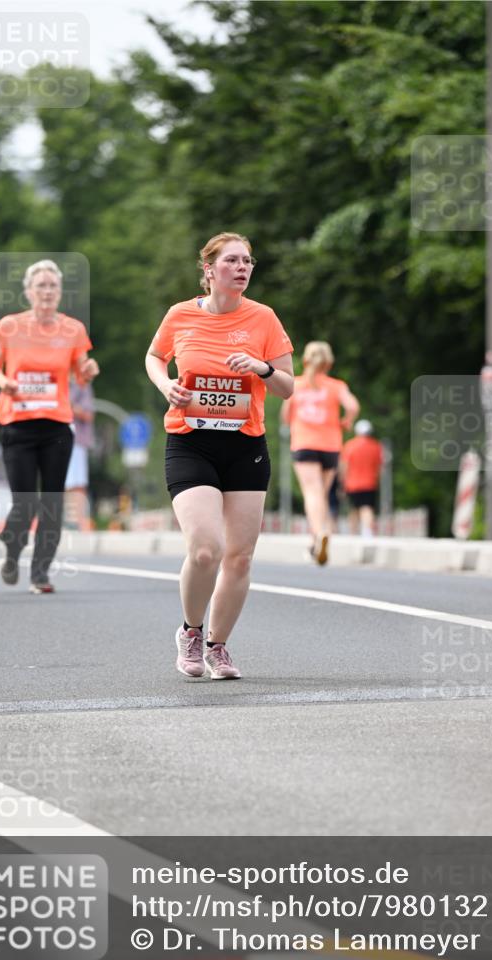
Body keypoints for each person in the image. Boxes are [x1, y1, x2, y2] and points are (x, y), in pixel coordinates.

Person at [145, 232, 294, 680]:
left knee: (240, 557)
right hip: (191, 442)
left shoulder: (263, 318)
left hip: (245, 447)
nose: (242, 268)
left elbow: (288, 387)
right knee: (207, 549)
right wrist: (166, 385)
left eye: (248, 261)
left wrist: (262, 368)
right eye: (232, 260)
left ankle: (218, 646)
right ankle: (191, 631)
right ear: (209, 270)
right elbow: (154, 356)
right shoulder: (180, 315)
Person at [0, 259, 99, 593]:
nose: (47, 291)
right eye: (41, 286)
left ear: (60, 292)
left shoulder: (73, 329)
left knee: (51, 503)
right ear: (29, 291)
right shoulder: (10, 326)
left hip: (56, 427)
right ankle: (12, 548)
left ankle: (40, 574)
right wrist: (4, 382)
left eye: (53, 286)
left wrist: (89, 370)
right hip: (17, 425)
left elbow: (81, 373)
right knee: (24, 503)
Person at [281, 341, 359, 565]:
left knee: (312, 493)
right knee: (321, 494)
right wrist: (347, 421)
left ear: (306, 361)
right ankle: (316, 539)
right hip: (331, 446)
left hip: (304, 444)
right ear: (329, 364)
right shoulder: (337, 386)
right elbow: (353, 406)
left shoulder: (296, 384)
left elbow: (286, 416)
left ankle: (319, 533)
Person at [340, 419, 384, 537]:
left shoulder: (349, 446)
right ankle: (367, 533)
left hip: (352, 484)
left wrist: (342, 482)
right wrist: (377, 480)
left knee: (353, 509)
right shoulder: (376, 446)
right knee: (367, 507)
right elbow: (379, 467)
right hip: (369, 483)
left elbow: (344, 466)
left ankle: (353, 533)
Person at [64, 377, 95, 530]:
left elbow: (88, 415)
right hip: (55, 440)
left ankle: (78, 521)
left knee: (76, 483)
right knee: (62, 483)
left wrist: (69, 406)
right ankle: (67, 520)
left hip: (76, 440)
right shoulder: (55, 382)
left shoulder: (81, 385)